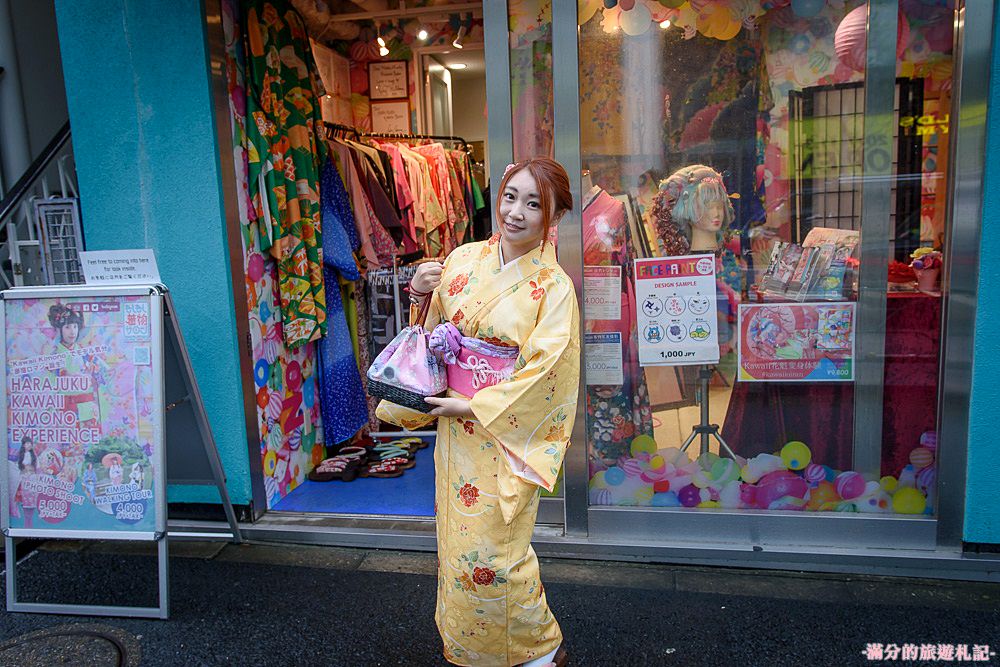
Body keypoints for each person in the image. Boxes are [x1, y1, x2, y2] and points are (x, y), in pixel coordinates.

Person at [376, 158, 577, 667]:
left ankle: (537, 647)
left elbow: (549, 370)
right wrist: (421, 292)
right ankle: (471, 645)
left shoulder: (554, 288)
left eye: (534, 203)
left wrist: (475, 402)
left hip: (506, 432)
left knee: (499, 555)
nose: (515, 212)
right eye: (510, 196)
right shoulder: (464, 260)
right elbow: (434, 335)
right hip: (457, 435)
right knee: (460, 548)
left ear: (553, 216)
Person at [15, 436, 38, 528]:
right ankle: (26, 521)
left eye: (30, 443)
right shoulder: (20, 455)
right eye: (27, 443)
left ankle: (30, 520)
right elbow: (18, 466)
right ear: (23, 445)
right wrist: (24, 471)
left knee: (32, 500)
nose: (29, 445)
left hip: (32, 478)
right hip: (23, 479)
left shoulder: (34, 455)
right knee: (24, 500)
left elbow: (37, 467)